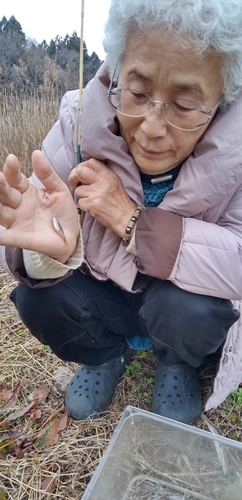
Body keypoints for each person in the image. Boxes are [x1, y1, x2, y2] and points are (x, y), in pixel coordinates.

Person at [0, 0, 242, 425]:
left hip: (177, 303)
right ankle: (104, 356)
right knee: (39, 299)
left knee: (190, 308)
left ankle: (177, 363)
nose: (151, 126)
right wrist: (48, 252)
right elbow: (39, 225)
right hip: (104, 291)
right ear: (116, 71)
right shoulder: (78, 123)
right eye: (137, 92)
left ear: (222, 99)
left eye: (184, 105)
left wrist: (134, 222)